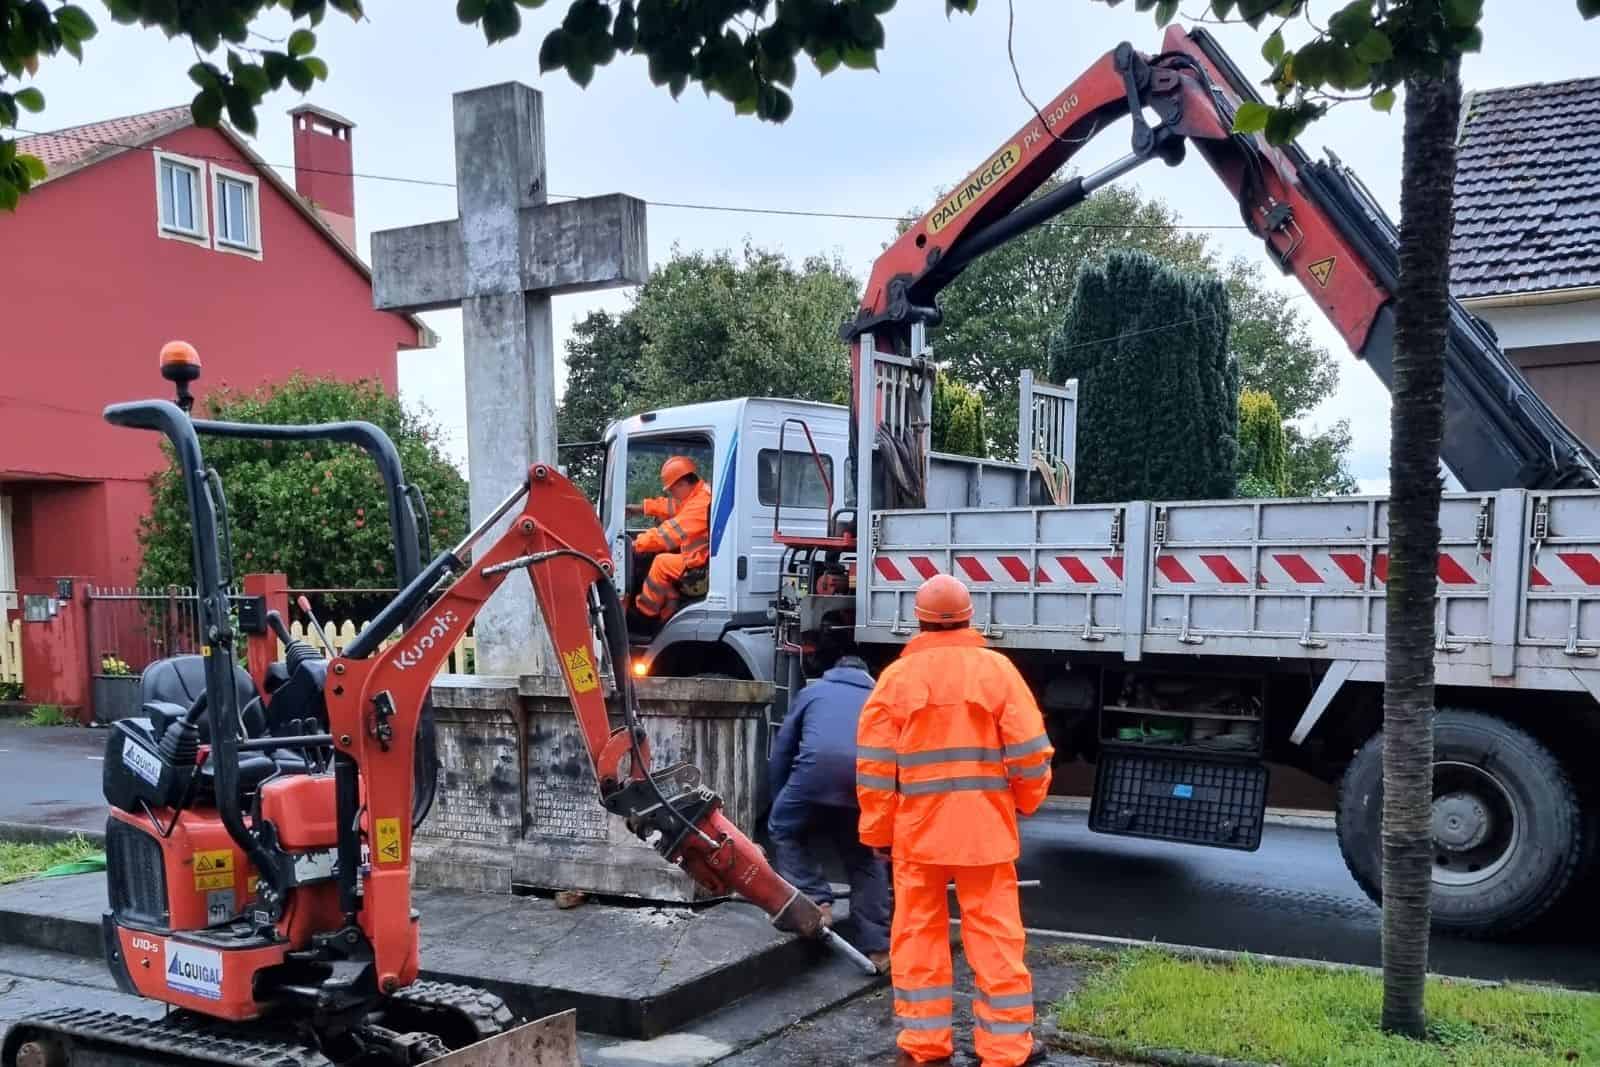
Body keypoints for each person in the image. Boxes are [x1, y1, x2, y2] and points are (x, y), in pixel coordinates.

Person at [857, 574, 1054, 1067]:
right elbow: (1031, 753)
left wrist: (878, 832)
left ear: (918, 621)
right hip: (985, 836)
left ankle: (924, 1047)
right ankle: (1006, 1050)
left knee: (917, 937)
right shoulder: (998, 671)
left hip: (917, 837)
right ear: (970, 616)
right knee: (995, 939)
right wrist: (1027, 801)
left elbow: (875, 769)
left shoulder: (895, 681)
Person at [766, 653, 891, 972]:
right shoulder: (881, 696)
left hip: (812, 776)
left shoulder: (813, 692)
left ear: (833, 671)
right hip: (866, 780)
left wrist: (780, 795)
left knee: (784, 828)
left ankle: (815, 902)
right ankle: (877, 948)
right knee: (866, 857)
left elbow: (783, 749)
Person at [625, 455, 711, 623]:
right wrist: (641, 508)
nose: (671, 493)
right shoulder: (696, 494)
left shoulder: (700, 504)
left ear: (682, 484)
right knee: (663, 562)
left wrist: (635, 545)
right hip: (698, 556)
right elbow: (670, 506)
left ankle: (645, 614)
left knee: (661, 563)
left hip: (699, 563)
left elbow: (666, 536)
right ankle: (670, 602)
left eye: (671, 489)